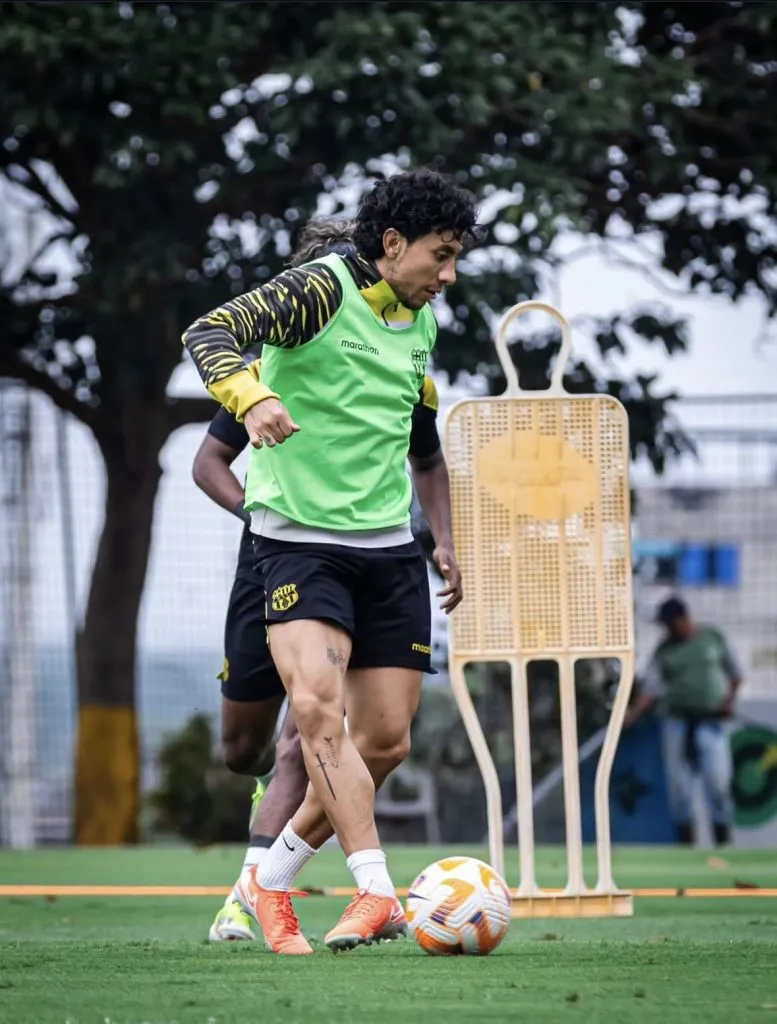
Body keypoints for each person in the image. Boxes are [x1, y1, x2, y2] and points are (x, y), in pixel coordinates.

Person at [183, 169, 475, 953]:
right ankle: (377, 891)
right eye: (440, 256)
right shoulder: (319, 290)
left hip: (386, 552)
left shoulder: (420, 326)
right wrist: (254, 399)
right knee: (306, 717)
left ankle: (264, 885)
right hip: (296, 544)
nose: (449, 276)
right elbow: (208, 332)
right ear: (390, 245)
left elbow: (425, 450)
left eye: (456, 259)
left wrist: (443, 539)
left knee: (383, 743)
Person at [625, 595, 742, 846]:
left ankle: (723, 843)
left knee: (718, 783)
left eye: (670, 623)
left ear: (682, 619)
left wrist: (728, 702)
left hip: (711, 721)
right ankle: (687, 846)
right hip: (676, 721)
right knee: (680, 788)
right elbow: (652, 689)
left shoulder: (712, 638)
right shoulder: (665, 650)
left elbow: (735, 674)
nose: (667, 629)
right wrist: (631, 716)